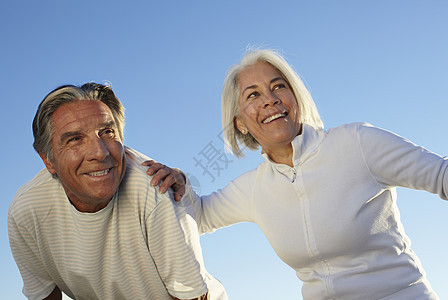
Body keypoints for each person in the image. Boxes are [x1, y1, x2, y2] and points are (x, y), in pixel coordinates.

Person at [145, 49, 447, 299]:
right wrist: (179, 183)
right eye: (253, 95)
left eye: (278, 86)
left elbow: (442, 174)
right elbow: (197, 216)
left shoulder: (358, 143)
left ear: (295, 98)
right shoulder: (253, 189)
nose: (270, 99)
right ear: (239, 123)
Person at [8, 83, 227, 300]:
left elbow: (193, 297)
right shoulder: (27, 211)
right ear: (48, 159)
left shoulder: (155, 191)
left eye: (107, 132)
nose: (99, 152)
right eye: (75, 139)